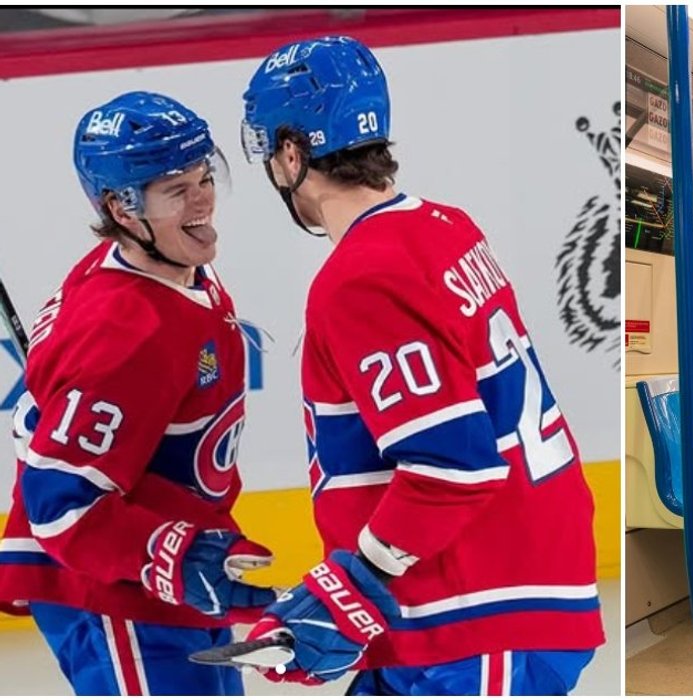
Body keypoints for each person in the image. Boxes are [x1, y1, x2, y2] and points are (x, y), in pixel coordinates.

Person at [238, 37, 605, 695]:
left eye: (270, 152)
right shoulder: (443, 225)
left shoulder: (360, 276)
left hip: (479, 614)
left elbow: (451, 463)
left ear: (291, 154)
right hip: (480, 599)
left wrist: (349, 586)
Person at [0, 92, 275, 695]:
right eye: (178, 190)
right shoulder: (125, 330)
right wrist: (172, 555)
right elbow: (59, 500)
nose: (203, 199)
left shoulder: (170, 264)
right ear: (121, 208)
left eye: (205, 176)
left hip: (161, 578)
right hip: (111, 590)